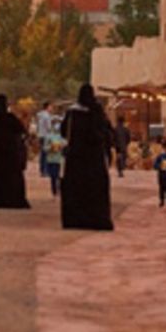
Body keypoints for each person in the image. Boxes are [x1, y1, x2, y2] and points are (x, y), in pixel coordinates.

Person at [58, 84, 115, 231]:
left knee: (75, 188)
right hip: (94, 159)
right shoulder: (97, 111)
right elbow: (106, 132)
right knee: (95, 189)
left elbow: (63, 132)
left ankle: (75, 219)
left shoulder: (72, 113)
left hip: (75, 158)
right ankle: (96, 218)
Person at [44, 130, 66, 198]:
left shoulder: (62, 138)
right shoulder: (48, 137)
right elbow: (45, 148)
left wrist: (61, 146)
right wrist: (51, 147)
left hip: (59, 160)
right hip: (51, 160)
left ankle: (59, 190)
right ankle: (54, 191)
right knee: (53, 176)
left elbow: (65, 145)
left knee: (59, 176)